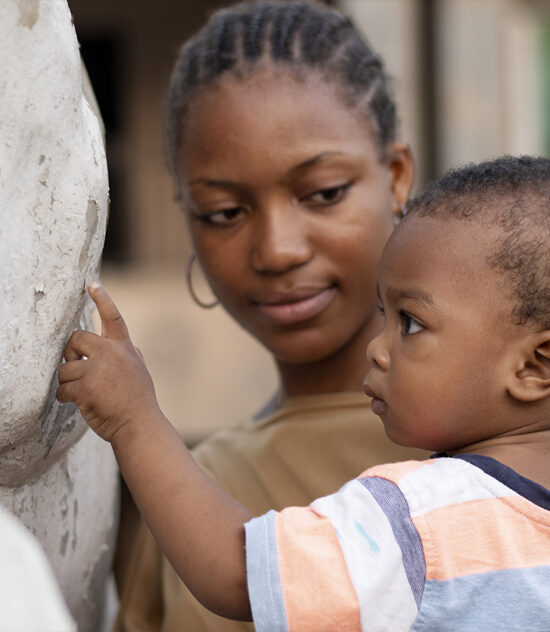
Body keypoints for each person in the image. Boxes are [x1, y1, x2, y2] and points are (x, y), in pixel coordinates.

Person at [58, 155, 550, 630]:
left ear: (533, 367)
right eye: (383, 315)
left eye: (411, 324)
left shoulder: (417, 520)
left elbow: (234, 573)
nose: (377, 349)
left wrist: (134, 420)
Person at [113, 1, 428, 628]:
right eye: (225, 212)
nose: (278, 249)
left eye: (323, 194)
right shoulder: (185, 497)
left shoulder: (512, 446)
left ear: (394, 178)